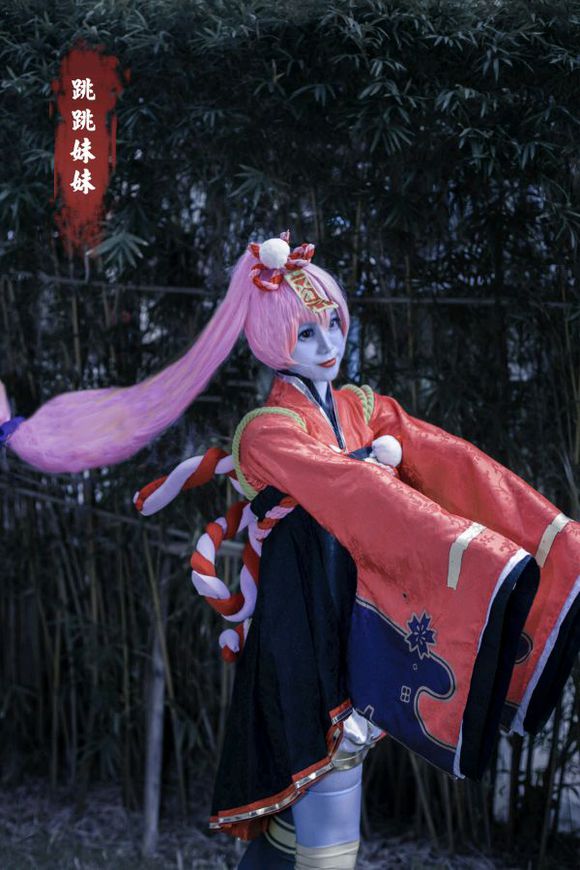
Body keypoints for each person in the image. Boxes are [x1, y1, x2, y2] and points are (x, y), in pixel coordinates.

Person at [1, 232, 578, 870]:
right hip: (303, 630)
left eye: (334, 324)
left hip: (355, 619)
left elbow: (455, 465)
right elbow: (358, 493)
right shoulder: (268, 431)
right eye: (306, 334)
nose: (329, 345)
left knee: (298, 829)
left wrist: (549, 541)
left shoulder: (360, 407)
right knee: (328, 826)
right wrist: (478, 557)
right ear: (272, 340)